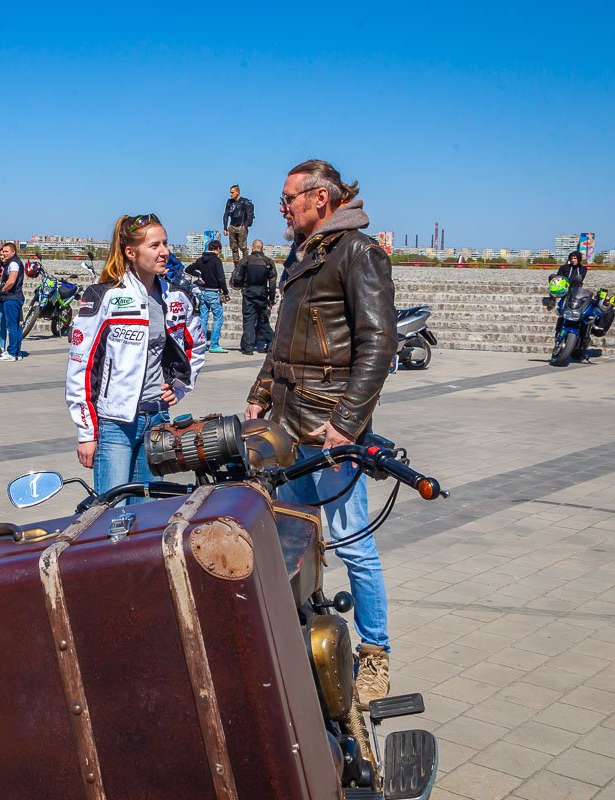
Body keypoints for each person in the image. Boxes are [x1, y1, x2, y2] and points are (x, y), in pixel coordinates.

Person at [244, 159, 396, 709]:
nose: (282, 206)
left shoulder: (359, 252)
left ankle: (375, 655)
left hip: (331, 428)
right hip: (286, 423)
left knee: (354, 540)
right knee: (292, 536)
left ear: (320, 198)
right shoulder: (302, 252)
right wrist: (260, 393)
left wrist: (348, 424)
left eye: (289, 197)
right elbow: (281, 340)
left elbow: (379, 345)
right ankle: (302, 639)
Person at [66, 214, 206, 502]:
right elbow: (81, 365)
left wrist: (179, 386)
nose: (164, 251)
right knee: (110, 514)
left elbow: (196, 346)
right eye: (154, 245)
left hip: (157, 421)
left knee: (147, 516)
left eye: (165, 243)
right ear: (131, 252)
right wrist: (86, 432)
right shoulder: (103, 295)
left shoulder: (177, 296)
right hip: (114, 423)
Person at [230, 239, 278, 354]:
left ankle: (248, 347)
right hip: (262, 293)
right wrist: (271, 299)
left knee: (249, 320)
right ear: (262, 248)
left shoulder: (245, 260)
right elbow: (272, 282)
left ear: (252, 248)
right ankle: (273, 343)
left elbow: (237, 278)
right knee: (264, 320)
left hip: (249, 293)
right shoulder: (268, 262)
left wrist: (241, 285)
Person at [186, 240, 229, 353]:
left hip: (203, 292)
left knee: (203, 318)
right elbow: (221, 278)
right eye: (219, 250)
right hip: (213, 292)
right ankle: (214, 344)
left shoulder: (201, 260)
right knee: (218, 318)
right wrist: (226, 292)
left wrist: (199, 274)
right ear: (217, 249)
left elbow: (188, 269)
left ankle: (203, 343)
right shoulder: (216, 261)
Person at [0, 242, 25, 361]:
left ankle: (12, 353)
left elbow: (11, 281)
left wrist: (2, 290)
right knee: (16, 327)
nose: (4, 254)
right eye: (3, 252)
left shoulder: (13, 263)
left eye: (7, 251)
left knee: (11, 326)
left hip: (12, 298)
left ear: (13, 252)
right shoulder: (13, 262)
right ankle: (17, 352)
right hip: (14, 297)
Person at [221, 185, 254, 265]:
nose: (230, 194)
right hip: (232, 226)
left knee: (243, 247)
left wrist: (246, 225)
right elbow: (226, 214)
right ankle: (236, 266)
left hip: (241, 226)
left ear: (237, 192)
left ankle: (246, 264)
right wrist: (225, 228)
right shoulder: (229, 202)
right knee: (234, 248)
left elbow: (250, 215)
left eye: (232, 192)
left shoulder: (245, 202)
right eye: (230, 193)